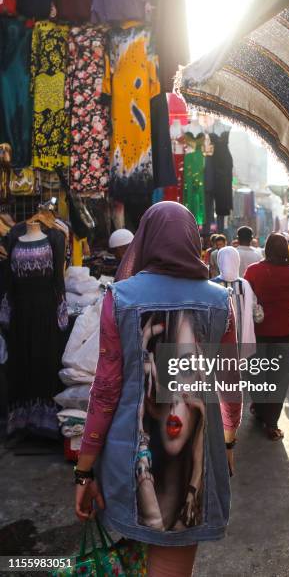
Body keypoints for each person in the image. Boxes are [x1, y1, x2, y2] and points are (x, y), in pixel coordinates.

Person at [74, 202, 242, 577]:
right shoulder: (220, 300)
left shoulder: (119, 298)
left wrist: (84, 470)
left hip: (126, 455)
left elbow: (105, 390)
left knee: (133, 556)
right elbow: (231, 383)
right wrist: (228, 441)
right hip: (195, 463)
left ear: (145, 240)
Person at [245, 233, 289, 440]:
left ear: (266, 249)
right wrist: (284, 309)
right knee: (278, 377)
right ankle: (271, 422)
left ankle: (259, 409)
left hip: (258, 332)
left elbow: (245, 301)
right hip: (283, 332)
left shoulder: (252, 271)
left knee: (257, 374)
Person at [212, 246, 256, 355]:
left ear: (219, 261)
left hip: (218, 336)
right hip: (241, 336)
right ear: (237, 261)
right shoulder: (244, 285)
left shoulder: (212, 284)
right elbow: (253, 308)